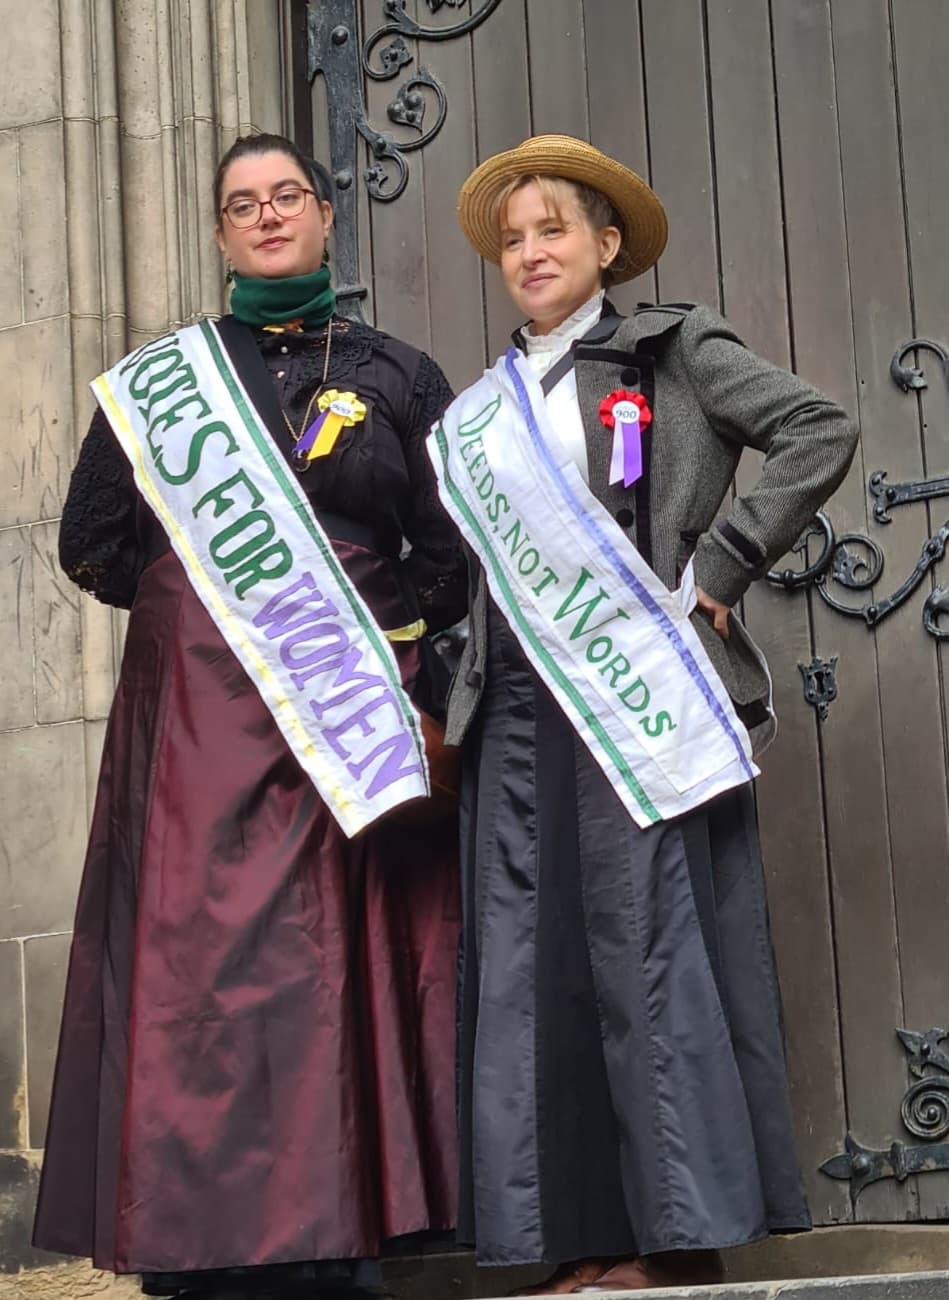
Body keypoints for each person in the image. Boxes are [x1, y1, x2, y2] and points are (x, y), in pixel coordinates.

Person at [33, 132, 466, 1300]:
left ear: (327, 215)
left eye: (287, 195)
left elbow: (451, 555)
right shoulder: (165, 380)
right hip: (197, 731)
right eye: (242, 204)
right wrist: (204, 618)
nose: (267, 215)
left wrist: (388, 632)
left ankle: (344, 1238)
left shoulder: (398, 373)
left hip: (343, 716)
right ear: (221, 234)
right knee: (204, 980)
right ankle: (195, 1249)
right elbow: (92, 542)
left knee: (334, 975)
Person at [427, 135, 859, 1292]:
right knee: (541, 975)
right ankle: (575, 1243)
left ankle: (671, 1244)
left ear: (605, 243)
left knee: (646, 962)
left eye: (551, 229)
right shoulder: (481, 414)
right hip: (519, 721)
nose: (529, 252)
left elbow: (818, 428)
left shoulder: (671, 349)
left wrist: (719, 563)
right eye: (512, 239)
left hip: (638, 700)